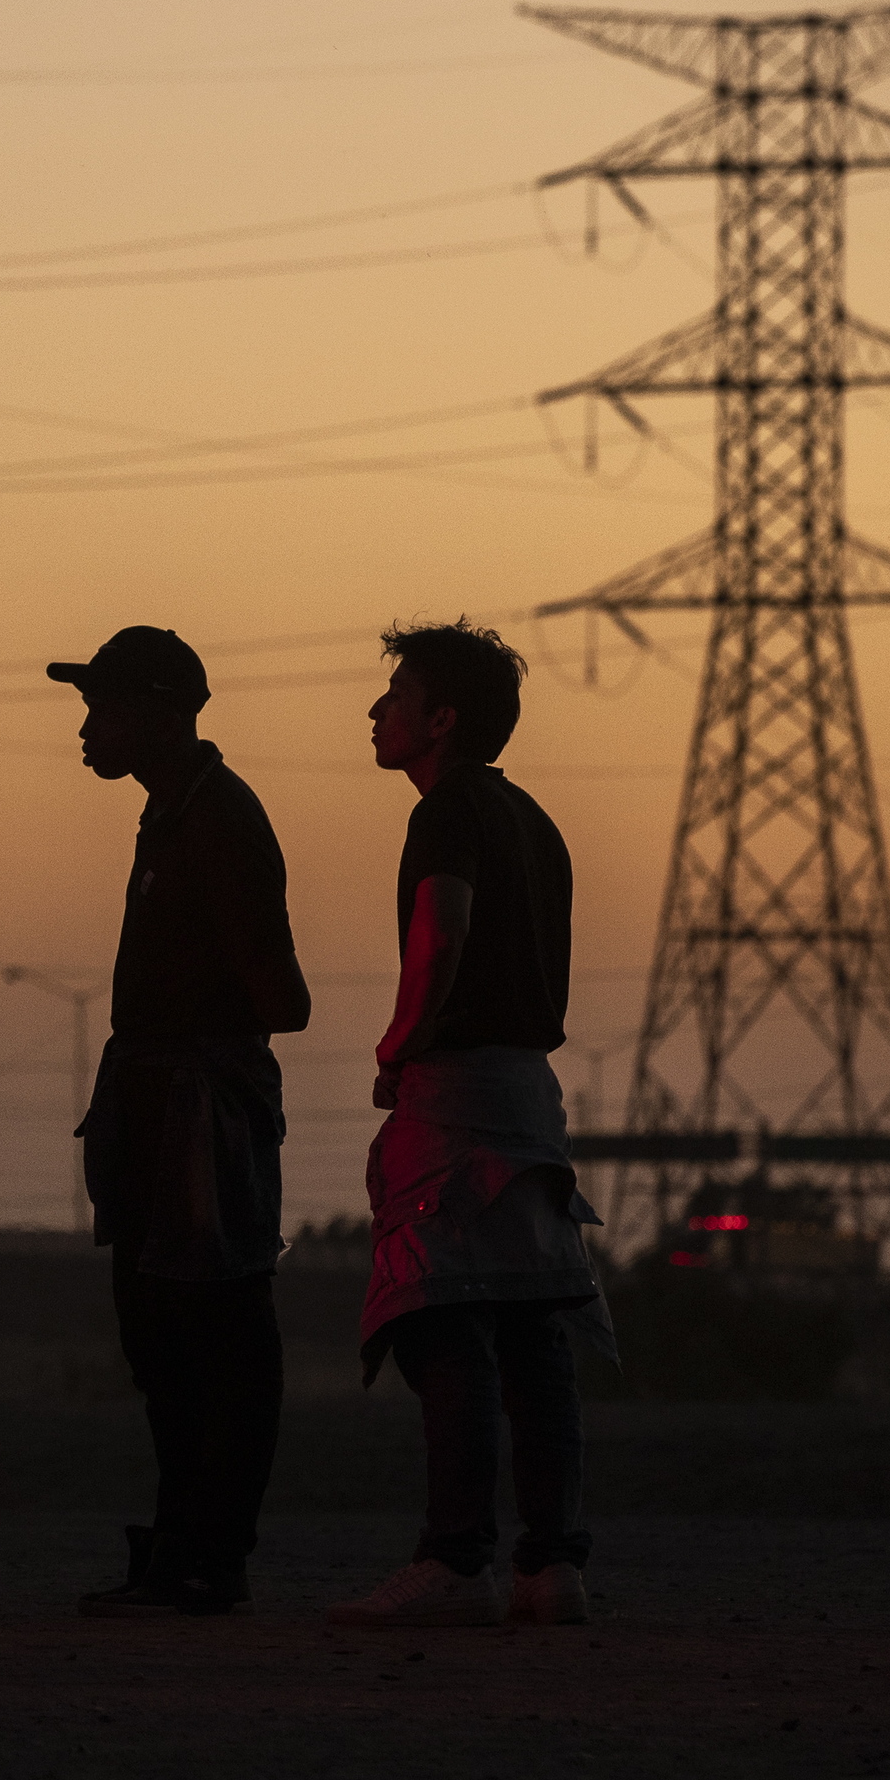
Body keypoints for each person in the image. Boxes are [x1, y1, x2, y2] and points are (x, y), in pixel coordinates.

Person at [330, 619, 613, 1631]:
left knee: (442, 1318)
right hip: (532, 1098)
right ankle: (552, 1563)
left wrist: (398, 1045)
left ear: (439, 720)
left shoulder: (445, 814)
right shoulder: (534, 821)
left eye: (396, 693)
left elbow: (438, 931)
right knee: (535, 1329)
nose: (378, 710)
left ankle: (456, 1558)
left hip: (457, 1096)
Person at [50, 627, 310, 1620]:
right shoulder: (178, 810)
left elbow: (279, 995)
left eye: (101, 706)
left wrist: (199, 1067)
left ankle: (210, 1553)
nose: (86, 727)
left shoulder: (218, 820)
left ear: (159, 712)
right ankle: (185, 1546)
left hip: (200, 1101)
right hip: (168, 1094)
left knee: (220, 1327)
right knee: (161, 1330)